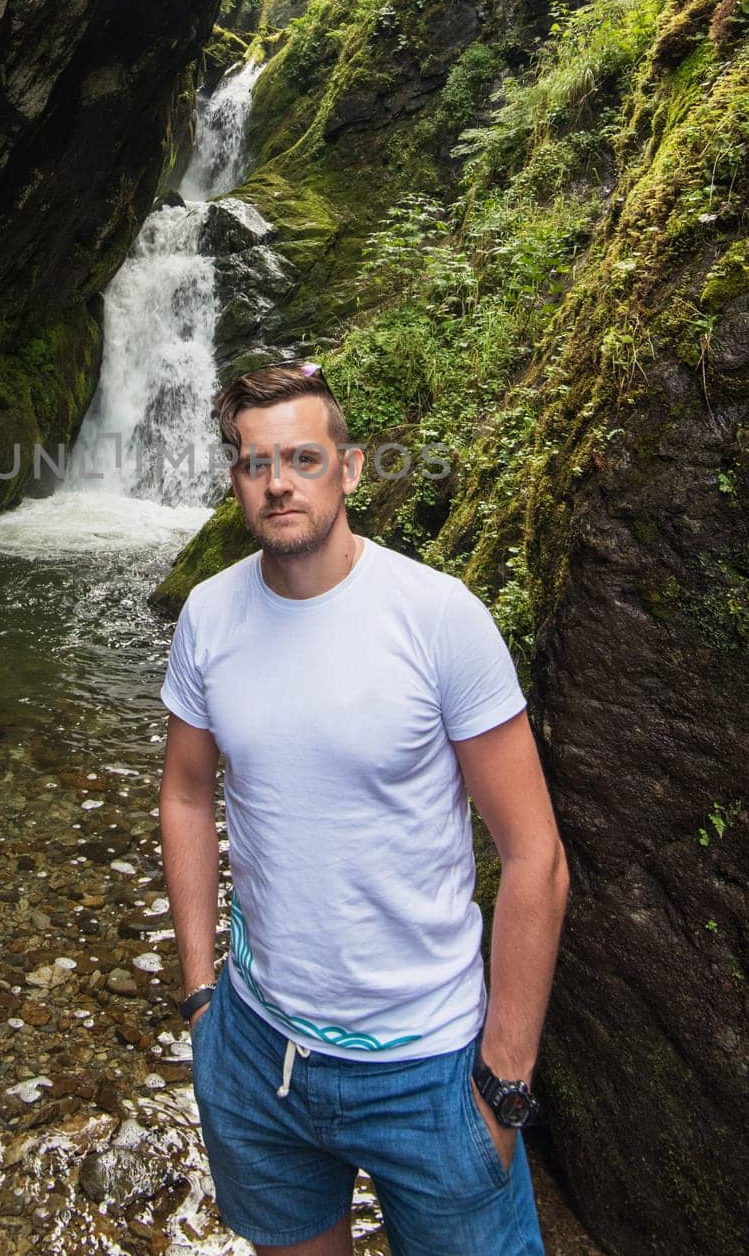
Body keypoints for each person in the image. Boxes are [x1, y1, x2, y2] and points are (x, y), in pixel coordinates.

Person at [158, 362, 570, 1256]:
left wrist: (503, 1083)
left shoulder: (437, 619)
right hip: (257, 1051)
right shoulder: (207, 615)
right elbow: (187, 792)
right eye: (254, 463)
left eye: (302, 458)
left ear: (346, 469)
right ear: (234, 480)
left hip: (428, 1070)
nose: (277, 484)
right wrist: (202, 996)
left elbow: (534, 854)